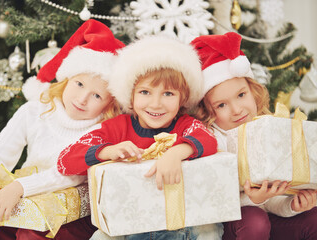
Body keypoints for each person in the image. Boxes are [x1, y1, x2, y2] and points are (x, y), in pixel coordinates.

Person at [0, 19, 124, 240]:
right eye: (79, 84)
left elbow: (69, 176)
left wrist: (19, 187)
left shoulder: (102, 129)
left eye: (97, 95)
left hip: (69, 213)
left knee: (32, 235)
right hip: (24, 199)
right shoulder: (35, 110)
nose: (82, 99)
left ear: (109, 104)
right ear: (66, 79)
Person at [57, 35, 218, 240]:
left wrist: (176, 152)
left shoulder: (185, 125)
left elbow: (208, 139)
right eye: (145, 92)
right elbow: (65, 161)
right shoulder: (116, 128)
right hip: (127, 224)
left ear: (183, 98)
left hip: (181, 223)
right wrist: (107, 151)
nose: (156, 104)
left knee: (209, 231)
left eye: (168, 94)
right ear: (130, 96)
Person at [191, 32, 317, 240]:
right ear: (207, 111)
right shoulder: (212, 140)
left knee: (313, 217)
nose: (237, 110)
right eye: (221, 105)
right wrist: (253, 199)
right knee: (255, 219)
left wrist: (292, 205)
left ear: (252, 90)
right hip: (236, 223)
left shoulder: (268, 127)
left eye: (241, 95)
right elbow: (215, 200)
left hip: (271, 216)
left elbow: (274, 200)